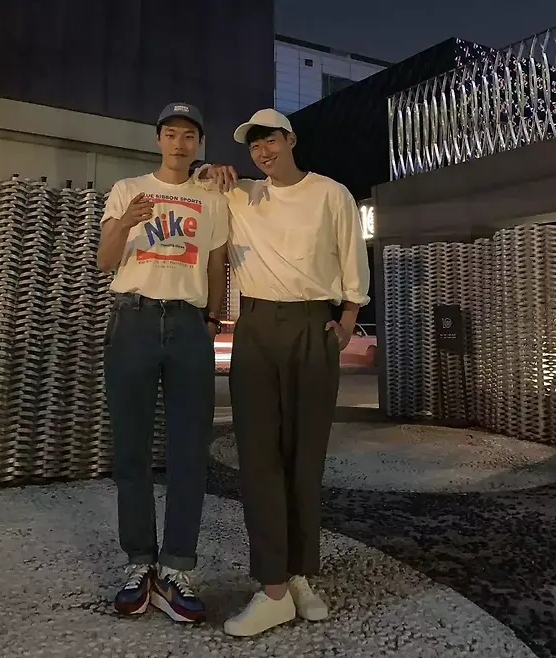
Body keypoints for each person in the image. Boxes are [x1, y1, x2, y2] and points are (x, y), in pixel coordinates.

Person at [193, 108, 370, 636]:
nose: (262, 152)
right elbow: (196, 184)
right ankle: (273, 586)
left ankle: (297, 577)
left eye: (269, 141)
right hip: (255, 326)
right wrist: (206, 169)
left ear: (290, 139)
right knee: (258, 459)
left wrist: (347, 321)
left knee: (305, 459)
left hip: (313, 324)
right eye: (254, 146)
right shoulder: (241, 194)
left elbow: (352, 257)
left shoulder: (331, 193)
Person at [97, 103, 229, 624]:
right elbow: (105, 260)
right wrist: (126, 222)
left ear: (199, 144)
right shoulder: (128, 190)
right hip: (132, 318)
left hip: (188, 323)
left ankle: (177, 568)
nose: (179, 143)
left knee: (189, 449)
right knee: (130, 448)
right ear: (158, 139)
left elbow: (216, 263)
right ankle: (139, 563)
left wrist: (213, 320)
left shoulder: (211, 197)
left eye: (189, 135)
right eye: (171, 134)